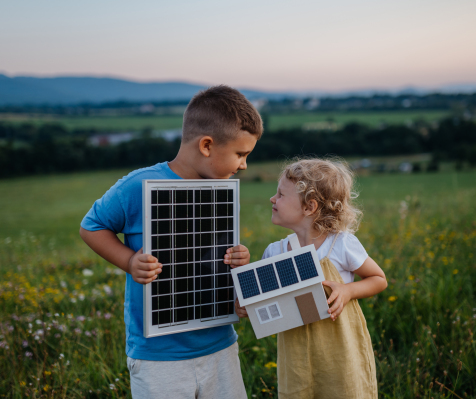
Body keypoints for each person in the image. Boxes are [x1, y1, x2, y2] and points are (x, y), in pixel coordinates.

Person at [79, 85, 262, 399]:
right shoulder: (138, 185)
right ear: (207, 145)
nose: (243, 165)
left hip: (219, 344)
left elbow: (211, 254)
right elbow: (91, 227)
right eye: (240, 154)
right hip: (158, 356)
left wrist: (238, 257)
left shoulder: (222, 191)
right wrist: (129, 261)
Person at [235, 158, 387, 399]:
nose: (272, 199)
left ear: (309, 207)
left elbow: (379, 279)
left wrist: (348, 291)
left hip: (339, 350)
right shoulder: (275, 252)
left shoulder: (341, 244)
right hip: (296, 354)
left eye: (281, 195)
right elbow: (257, 302)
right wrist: (245, 306)